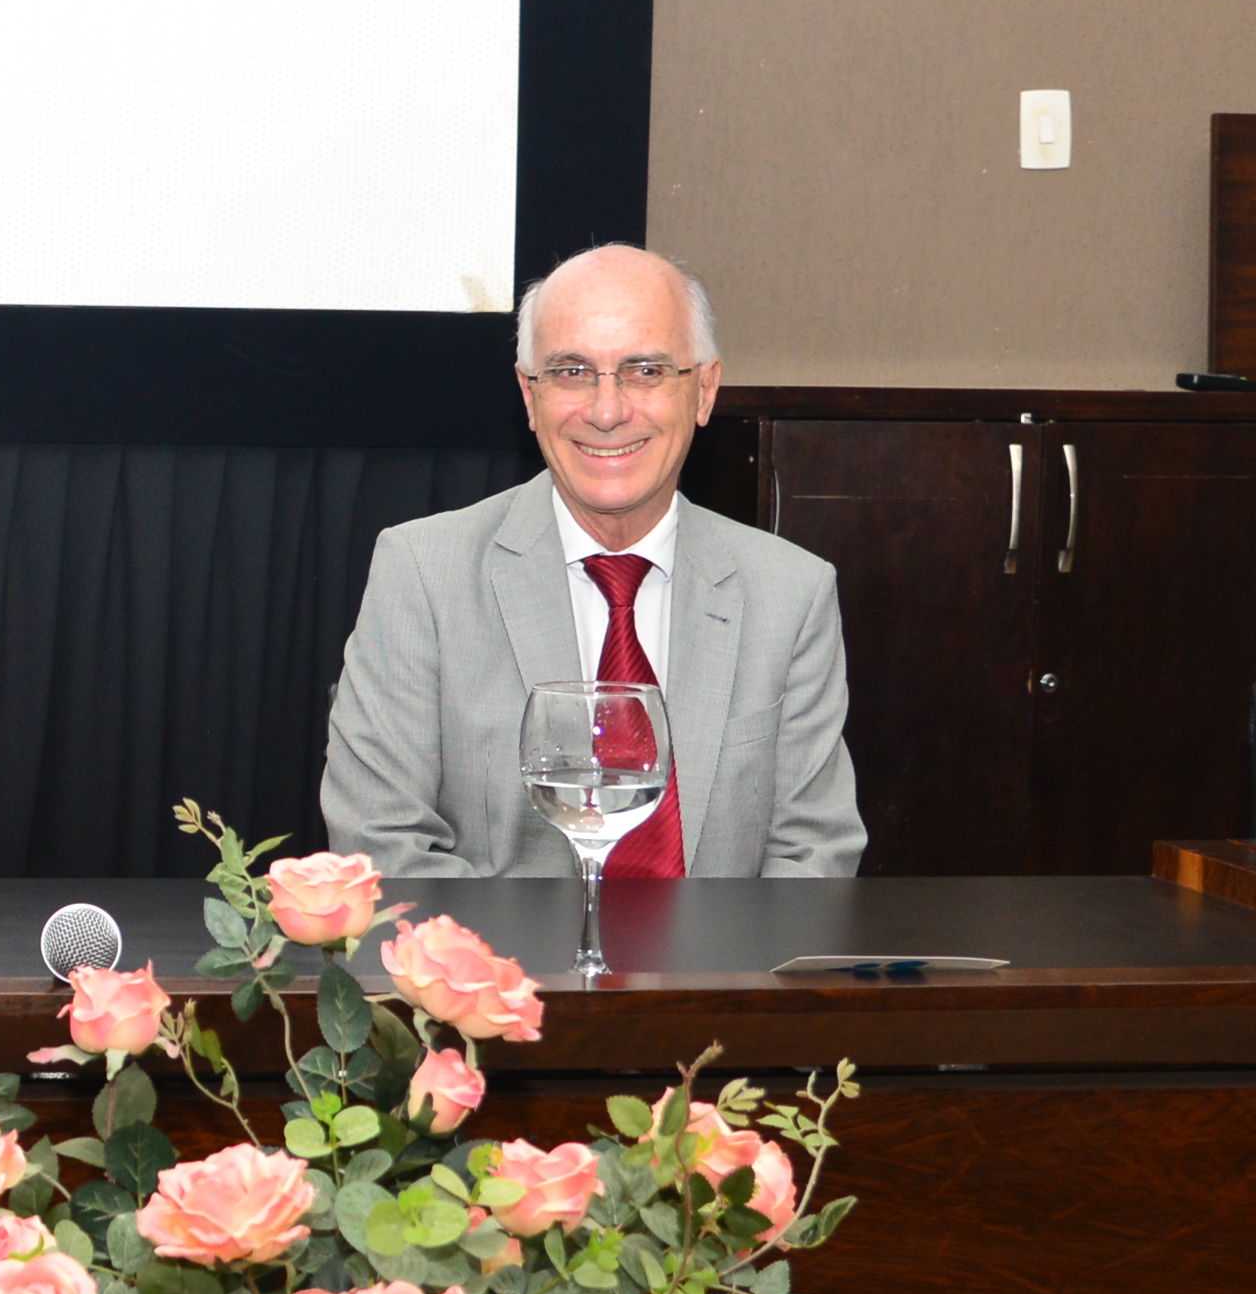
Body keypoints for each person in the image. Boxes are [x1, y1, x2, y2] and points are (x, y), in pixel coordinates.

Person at [321, 244, 863, 878]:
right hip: (502, 976)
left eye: (646, 371)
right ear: (529, 394)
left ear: (705, 391)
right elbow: (381, 845)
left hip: (718, 974)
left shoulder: (791, 592)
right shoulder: (421, 573)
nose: (607, 412)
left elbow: (812, 858)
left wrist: (707, 980)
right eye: (573, 372)